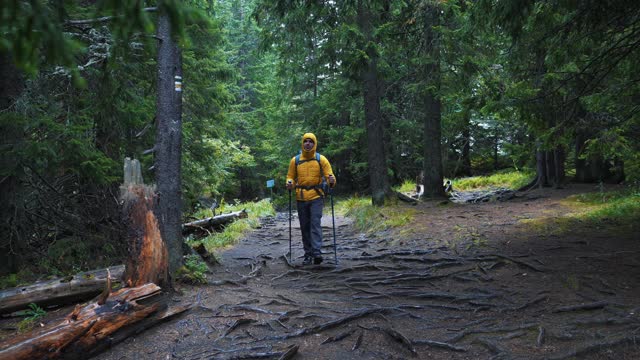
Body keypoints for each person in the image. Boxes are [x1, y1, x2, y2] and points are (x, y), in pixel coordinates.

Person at [286, 133, 336, 265]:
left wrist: (332, 180)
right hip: (301, 197)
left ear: (315, 144)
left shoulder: (321, 159)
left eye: (311, 141)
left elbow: (330, 176)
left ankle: (316, 252)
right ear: (302, 143)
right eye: (305, 141)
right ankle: (307, 254)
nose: (308, 144)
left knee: (315, 223)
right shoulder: (295, 161)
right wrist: (289, 183)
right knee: (305, 226)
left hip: (316, 196)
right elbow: (290, 176)